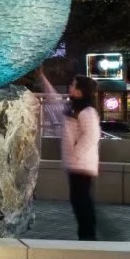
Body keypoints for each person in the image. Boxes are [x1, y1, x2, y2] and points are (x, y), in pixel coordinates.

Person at [40, 68, 101, 240]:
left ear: (80, 90)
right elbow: (54, 101)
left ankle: (88, 238)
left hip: (82, 166)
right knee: (79, 203)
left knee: (82, 203)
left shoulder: (87, 111)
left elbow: (92, 135)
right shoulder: (71, 108)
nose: (70, 85)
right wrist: (43, 78)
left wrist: (75, 154)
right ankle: (85, 237)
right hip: (75, 166)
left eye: (74, 84)